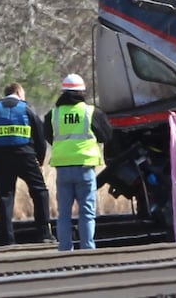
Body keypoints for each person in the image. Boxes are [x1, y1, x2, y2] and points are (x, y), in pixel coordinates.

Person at [0, 82, 53, 245]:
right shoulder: (26, 109)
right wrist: (39, 160)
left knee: (4, 196)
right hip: (26, 156)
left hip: (0, 159)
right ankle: (44, 234)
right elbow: (41, 138)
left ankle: (7, 239)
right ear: (18, 92)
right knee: (40, 192)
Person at [43, 73, 113, 251]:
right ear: (82, 92)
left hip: (63, 169)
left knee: (64, 214)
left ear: (63, 91)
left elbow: (49, 136)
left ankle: (65, 249)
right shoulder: (90, 112)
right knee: (87, 213)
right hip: (84, 168)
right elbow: (106, 134)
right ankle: (88, 249)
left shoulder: (54, 114)